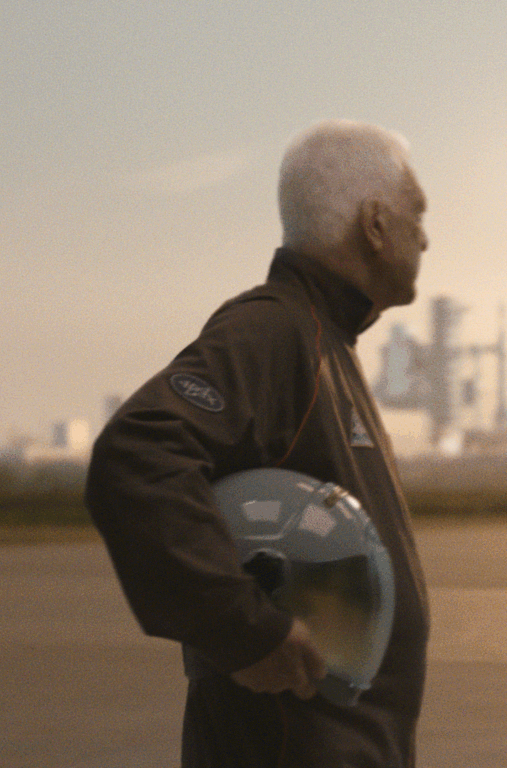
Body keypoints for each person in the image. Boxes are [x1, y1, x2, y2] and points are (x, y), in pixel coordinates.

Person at [86, 119, 431, 768]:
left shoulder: (326, 342)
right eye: (418, 213)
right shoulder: (276, 329)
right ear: (375, 224)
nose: (426, 236)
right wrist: (243, 630)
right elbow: (139, 454)